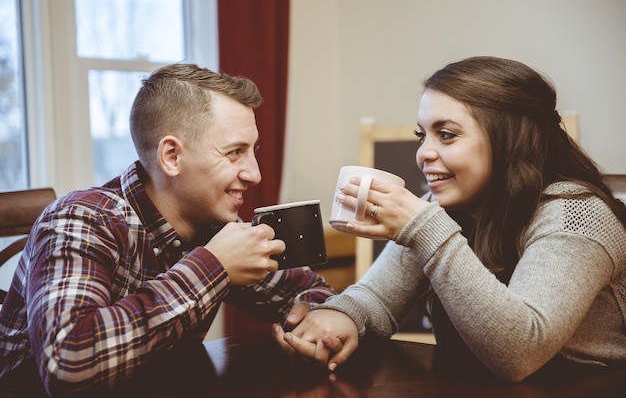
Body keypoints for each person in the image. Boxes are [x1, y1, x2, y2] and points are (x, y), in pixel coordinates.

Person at [273, 56, 626, 382]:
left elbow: (520, 353)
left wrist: (423, 226)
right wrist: (338, 318)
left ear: (509, 139)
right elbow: (378, 299)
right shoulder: (445, 208)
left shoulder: (574, 214)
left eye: (446, 134)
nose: (423, 153)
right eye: (421, 135)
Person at [0, 63, 335, 395]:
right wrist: (214, 267)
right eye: (235, 152)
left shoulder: (213, 226)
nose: (255, 173)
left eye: (253, 151)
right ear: (172, 156)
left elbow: (313, 292)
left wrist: (310, 325)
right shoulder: (81, 219)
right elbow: (69, 366)